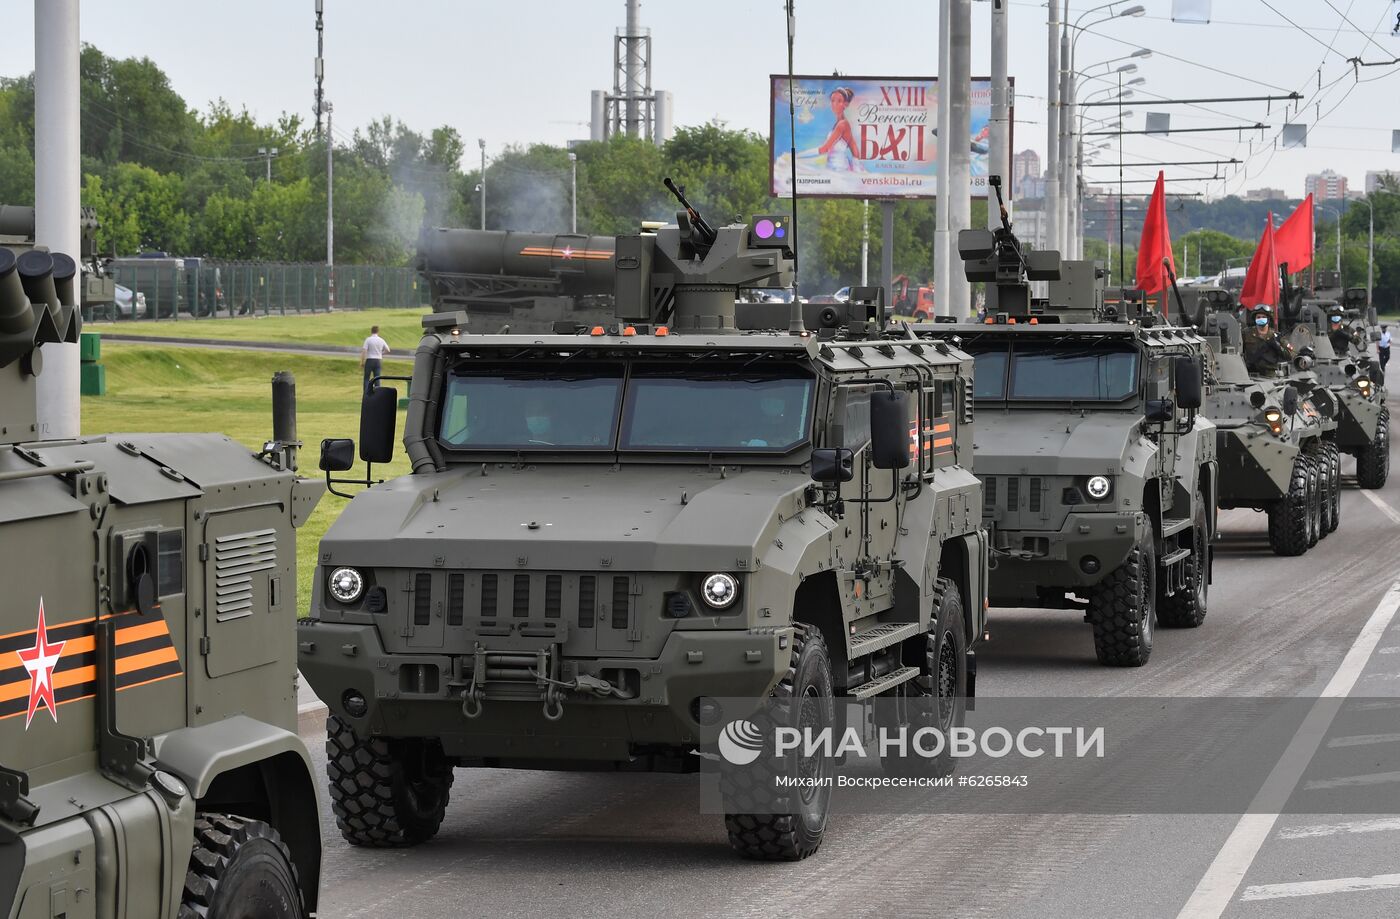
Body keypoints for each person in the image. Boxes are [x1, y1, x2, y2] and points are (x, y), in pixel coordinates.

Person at [1242, 306, 1293, 376]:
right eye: (1258, 317)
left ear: (1268, 319)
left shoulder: (1276, 336)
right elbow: (1238, 351)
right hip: (1249, 374)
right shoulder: (1246, 333)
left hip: (1270, 375)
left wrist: (1277, 346)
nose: (1261, 319)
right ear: (1255, 319)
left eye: (1263, 317)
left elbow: (1290, 355)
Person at [360, 325, 390, 394]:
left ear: (371, 331)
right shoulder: (381, 340)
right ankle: (377, 393)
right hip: (378, 360)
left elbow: (364, 351)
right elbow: (388, 350)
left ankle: (366, 393)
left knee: (367, 378)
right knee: (377, 378)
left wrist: (362, 361)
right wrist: (381, 353)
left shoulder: (368, 339)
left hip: (370, 359)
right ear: (378, 331)